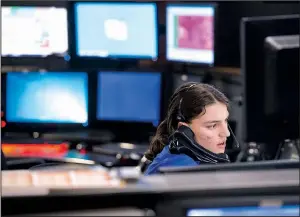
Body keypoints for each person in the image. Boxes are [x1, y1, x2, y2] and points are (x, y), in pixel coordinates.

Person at [144, 82, 231, 175]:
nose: (226, 133)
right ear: (184, 130)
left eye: (225, 121)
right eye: (212, 126)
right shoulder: (183, 172)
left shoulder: (176, 158)